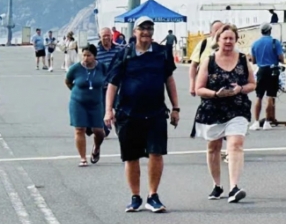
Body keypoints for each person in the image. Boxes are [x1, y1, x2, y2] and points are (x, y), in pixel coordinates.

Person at [104, 16, 180, 213]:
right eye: (142, 28)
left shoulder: (162, 53)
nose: (146, 32)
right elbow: (112, 83)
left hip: (155, 112)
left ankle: (153, 195)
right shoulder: (124, 54)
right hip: (128, 113)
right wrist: (108, 111)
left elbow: (169, 80)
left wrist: (176, 108)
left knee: (156, 153)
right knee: (131, 157)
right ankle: (135, 196)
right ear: (134, 32)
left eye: (150, 28)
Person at [194, 24, 253, 203]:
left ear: (236, 40)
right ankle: (217, 185)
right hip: (213, 109)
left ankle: (234, 187)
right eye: (225, 38)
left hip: (237, 107)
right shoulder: (209, 61)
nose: (228, 41)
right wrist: (215, 94)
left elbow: (252, 84)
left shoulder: (243, 60)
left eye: (231, 38)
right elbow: (199, 89)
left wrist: (240, 89)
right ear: (218, 40)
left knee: (236, 144)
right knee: (213, 147)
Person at [65, 44, 106, 166]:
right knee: (79, 129)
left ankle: (96, 148)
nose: (86, 58)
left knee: (99, 131)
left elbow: (110, 79)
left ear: (95, 56)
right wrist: (76, 92)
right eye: (84, 55)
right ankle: (83, 158)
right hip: (78, 102)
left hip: (96, 103)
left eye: (89, 55)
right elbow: (68, 81)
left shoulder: (102, 68)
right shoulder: (75, 68)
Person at [250, 23, 284, 130]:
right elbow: (281, 58)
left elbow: (254, 60)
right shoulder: (275, 42)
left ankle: (256, 121)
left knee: (259, 96)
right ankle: (267, 122)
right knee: (270, 96)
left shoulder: (255, 44)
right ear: (270, 30)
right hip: (273, 70)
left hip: (261, 70)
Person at [189, 20, 223, 98]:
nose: (219, 33)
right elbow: (194, 66)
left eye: (222, 30)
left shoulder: (228, 44)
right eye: (217, 30)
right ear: (211, 33)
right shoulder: (203, 44)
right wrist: (192, 84)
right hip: (206, 87)